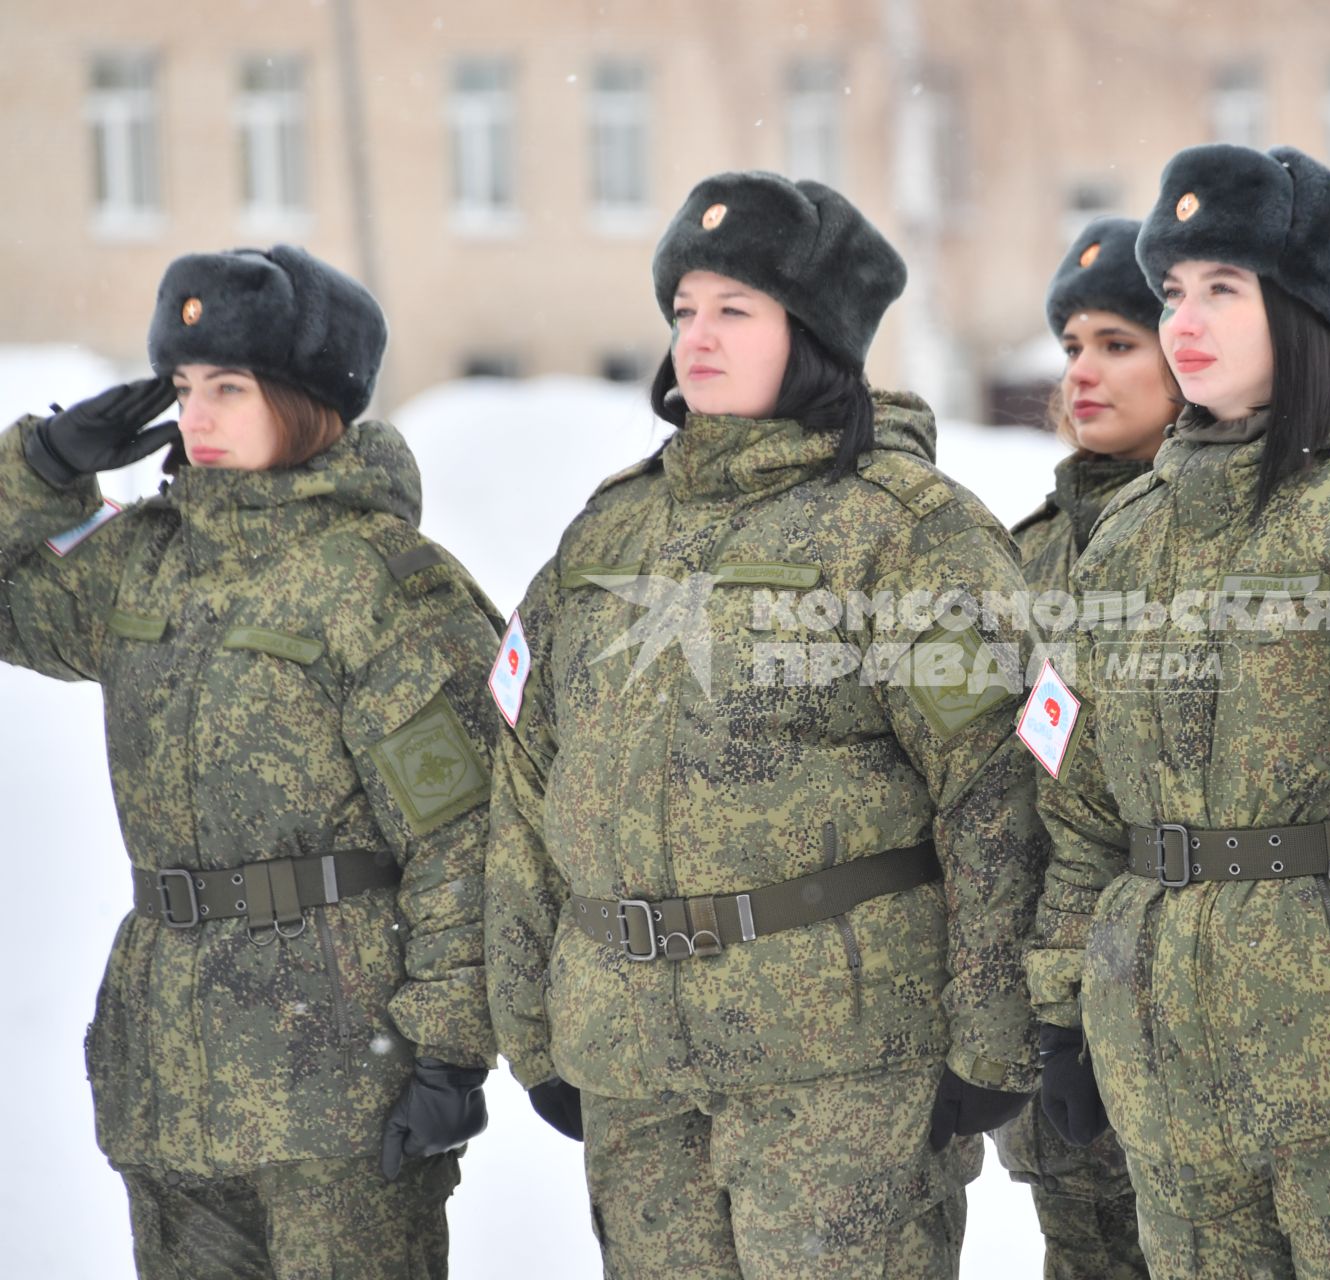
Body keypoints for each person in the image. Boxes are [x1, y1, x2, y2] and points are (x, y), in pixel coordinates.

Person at [484, 170, 1045, 1277]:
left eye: (734, 310)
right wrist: (532, 1019)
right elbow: (527, 782)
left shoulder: (902, 533)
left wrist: (991, 1034)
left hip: (839, 1066)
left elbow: (994, 790)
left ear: (818, 334)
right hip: (633, 1054)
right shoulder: (609, 534)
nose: (697, 336)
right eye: (684, 310)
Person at [1023, 143, 1330, 1279]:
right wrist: (1065, 1003)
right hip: (1172, 1092)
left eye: (1223, 289)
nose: (1184, 320)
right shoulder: (1134, 534)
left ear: (1300, 308)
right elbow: (1083, 806)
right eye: (1173, 291)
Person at [0, 245, 500, 1277]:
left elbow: (465, 840)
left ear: (307, 400)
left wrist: (451, 1051)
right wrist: (40, 468)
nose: (197, 415)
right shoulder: (145, 560)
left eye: (228, 387)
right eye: (184, 388)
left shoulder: (378, 586)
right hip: (170, 1084)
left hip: (338, 1092)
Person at [997, 215, 1171, 1280]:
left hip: (1195, 993)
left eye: (1119, 343)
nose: (1084, 374)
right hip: (1058, 1001)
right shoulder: (1030, 551)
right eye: (1071, 348)